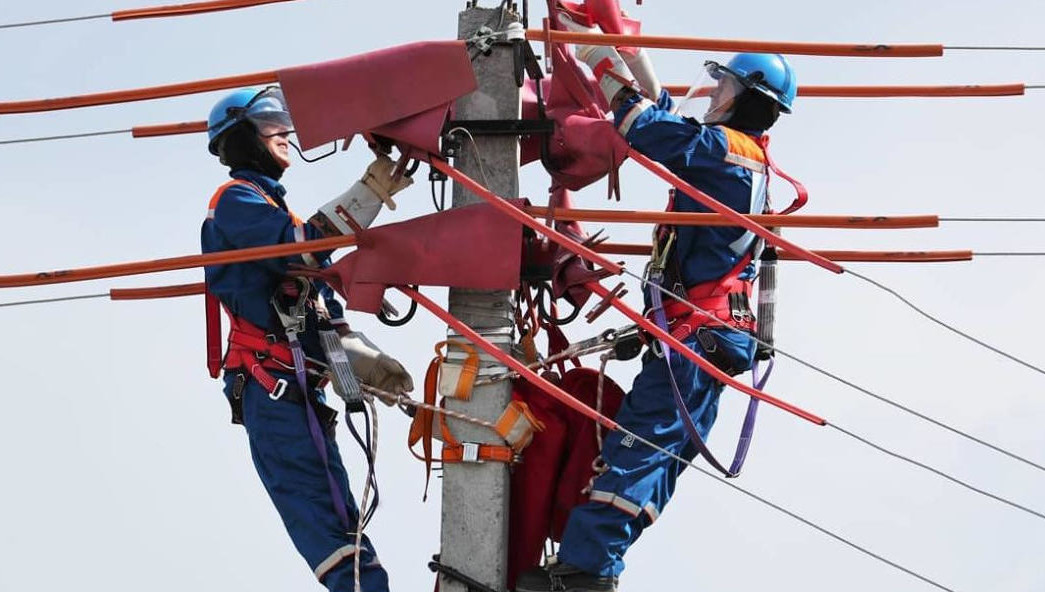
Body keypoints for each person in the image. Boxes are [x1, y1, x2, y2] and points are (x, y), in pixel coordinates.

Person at [516, 14, 798, 592]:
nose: (714, 95)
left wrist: (595, 56)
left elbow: (646, 123)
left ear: (747, 101)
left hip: (700, 337)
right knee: (658, 457)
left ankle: (586, 571)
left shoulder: (723, 154)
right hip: (705, 335)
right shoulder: (740, 157)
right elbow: (664, 107)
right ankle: (593, 566)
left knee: (638, 449)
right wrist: (617, 43)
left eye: (725, 87)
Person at [201, 86, 414, 591]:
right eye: (272, 123)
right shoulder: (236, 202)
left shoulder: (273, 209)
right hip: (271, 390)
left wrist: (361, 363)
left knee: (342, 517)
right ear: (243, 139)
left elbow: (321, 313)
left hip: (300, 393)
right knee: (324, 522)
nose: (286, 133)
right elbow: (299, 251)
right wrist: (369, 194)